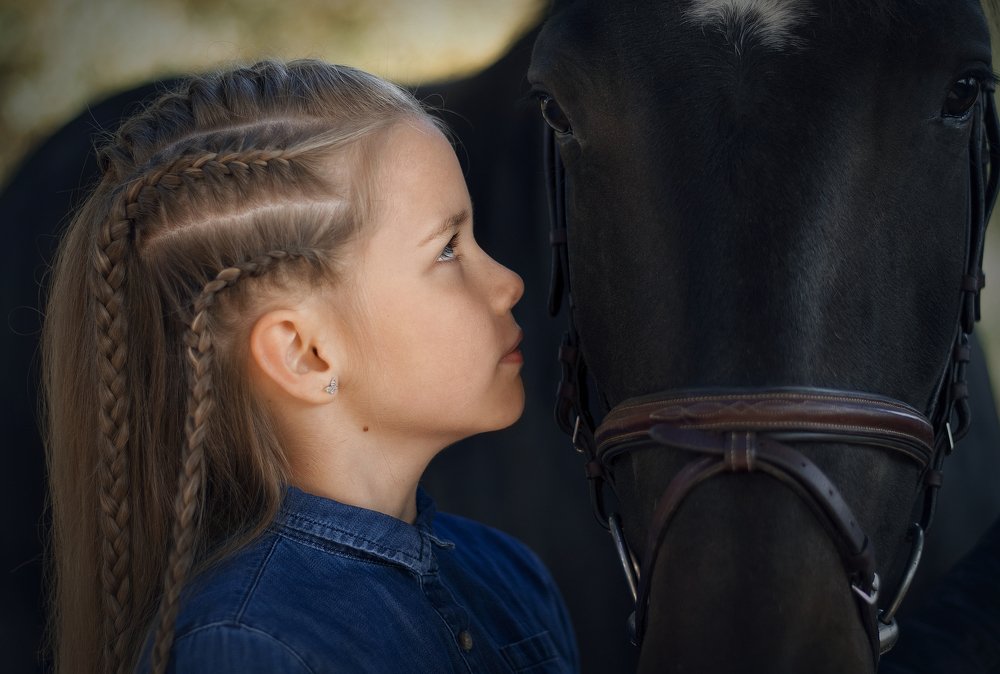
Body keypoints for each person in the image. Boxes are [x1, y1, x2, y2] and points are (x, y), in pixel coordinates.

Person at [41, 59, 579, 674]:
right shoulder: (246, 649)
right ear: (305, 353)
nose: (509, 282)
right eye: (449, 249)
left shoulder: (509, 578)